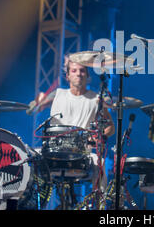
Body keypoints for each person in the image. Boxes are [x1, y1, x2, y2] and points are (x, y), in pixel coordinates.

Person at [35, 54, 115, 194]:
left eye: (82, 70)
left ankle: (98, 204)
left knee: (100, 163)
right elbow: (35, 107)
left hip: (81, 152)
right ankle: (32, 202)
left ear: (88, 75)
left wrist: (99, 137)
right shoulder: (57, 94)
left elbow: (111, 127)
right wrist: (38, 102)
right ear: (67, 76)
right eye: (74, 70)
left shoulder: (96, 99)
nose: (78, 74)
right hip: (54, 150)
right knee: (29, 158)